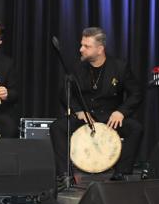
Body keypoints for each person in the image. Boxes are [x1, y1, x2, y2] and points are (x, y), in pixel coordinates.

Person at [49, 27, 143, 180]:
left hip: (109, 117)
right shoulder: (77, 67)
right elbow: (64, 93)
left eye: (87, 46)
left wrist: (121, 112)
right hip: (85, 116)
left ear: (100, 49)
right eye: (81, 45)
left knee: (135, 128)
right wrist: (79, 111)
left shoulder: (119, 67)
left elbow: (136, 93)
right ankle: (65, 174)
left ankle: (121, 172)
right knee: (57, 127)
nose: (81, 49)